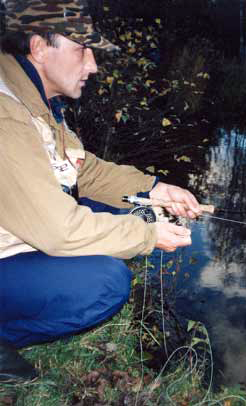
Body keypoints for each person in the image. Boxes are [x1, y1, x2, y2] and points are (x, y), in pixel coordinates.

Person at [0, 0, 202, 383]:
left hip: (16, 233)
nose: (92, 65)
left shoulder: (35, 101)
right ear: (39, 48)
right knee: (105, 285)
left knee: (132, 212)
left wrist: (155, 190)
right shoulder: (6, 113)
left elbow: (84, 170)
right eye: (81, 50)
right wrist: (146, 236)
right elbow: (59, 230)